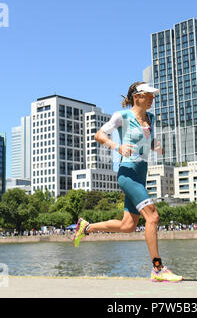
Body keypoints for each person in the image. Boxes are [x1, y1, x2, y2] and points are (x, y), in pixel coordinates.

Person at [72, 81, 182, 283]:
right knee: (153, 217)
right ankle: (158, 269)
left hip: (141, 173)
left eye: (153, 95)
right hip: (128, 173)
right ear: (137, 96)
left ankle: (86, 228)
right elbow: (99, 135)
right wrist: (117, 146)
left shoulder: (151, 118)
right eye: (149, 94)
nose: (153, 98)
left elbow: (148, 141)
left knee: (128, 225)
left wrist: (156, 147)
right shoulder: (121, 116)